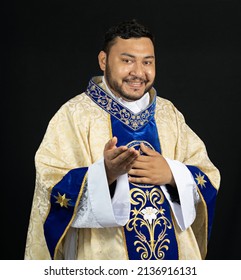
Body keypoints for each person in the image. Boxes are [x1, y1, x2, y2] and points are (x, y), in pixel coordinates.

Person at [24, 19, 220, 260]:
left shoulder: (168, 114)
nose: (139, 72)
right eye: (127, 61)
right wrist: (103, 174)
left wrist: (172, 174)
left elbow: (208, 175)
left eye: (147, 62)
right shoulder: (74, 115)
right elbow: (50, 184)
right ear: (104, 61)